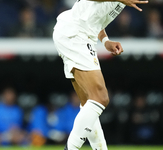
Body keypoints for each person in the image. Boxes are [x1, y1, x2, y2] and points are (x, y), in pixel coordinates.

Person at [53, 0, 148, 150]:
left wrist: (105, 41)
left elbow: (96, 18)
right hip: (76, 32)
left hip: (80, 33)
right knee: (100, 97)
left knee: (89, 103)